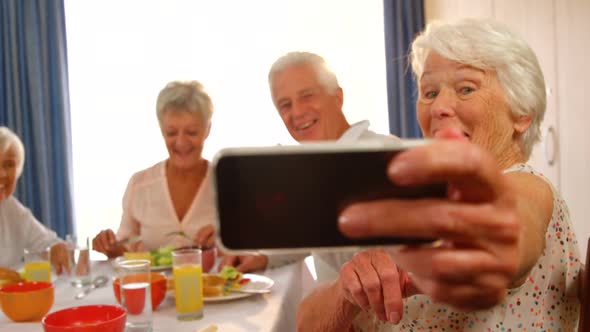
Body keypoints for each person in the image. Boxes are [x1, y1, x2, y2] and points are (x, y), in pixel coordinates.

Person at [296, 18, 582, 331]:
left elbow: (516, 229)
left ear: (522, 114)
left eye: (466, 88)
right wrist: (346, 291)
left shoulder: (526, 185)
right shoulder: (417, 205)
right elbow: (305, 323)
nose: (439, 107)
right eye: (429, 93)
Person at [93, 80, 219, 258]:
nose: (181, 143)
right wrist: (109, 245)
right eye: (171, 133)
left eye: (191, 132)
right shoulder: (140, 185)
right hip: (155, 284)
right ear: (161, 131)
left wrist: (223, 241)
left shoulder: (227, 183)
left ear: (207, 129)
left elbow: (249, 248)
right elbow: (125, 248)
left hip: (214, 284)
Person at [0, 126, 69, 273]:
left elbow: (47, 242)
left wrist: (56, 249)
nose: (2, 174)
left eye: (9, 165)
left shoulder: (11, 208)